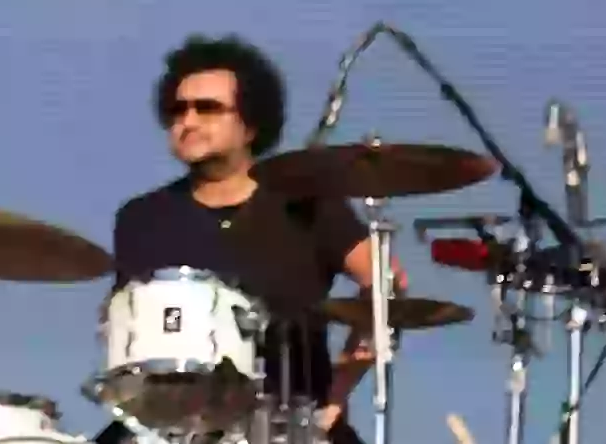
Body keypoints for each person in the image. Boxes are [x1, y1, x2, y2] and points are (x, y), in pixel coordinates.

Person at [109, 35, 408, 444]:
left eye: (207, 108)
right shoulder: (141, 218)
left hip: (291, 421)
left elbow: (387, 284)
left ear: (250, 124)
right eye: (178, 110)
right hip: (169, 425)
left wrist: (339, 388)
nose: (188, 121)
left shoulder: (306, 204)